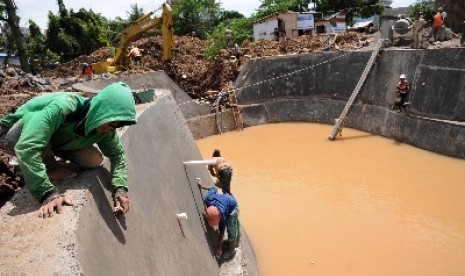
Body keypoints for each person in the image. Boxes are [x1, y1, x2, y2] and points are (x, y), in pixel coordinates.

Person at [0, 82, 137, 218]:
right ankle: (46, 166)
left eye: (116, 126)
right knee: (33, 139)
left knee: (94, 160)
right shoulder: (64, 107)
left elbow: (118, 155)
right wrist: (47, 194)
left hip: (55, 139)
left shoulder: (106, 131)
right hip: (13, 134)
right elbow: (27, 146)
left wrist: (120, 188)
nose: (109, 129)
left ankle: (45, 157)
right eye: (111, 122)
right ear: (103, 111)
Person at [197, 178, 240, 259]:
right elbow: (213, 188)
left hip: (232, 204)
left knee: (231, 228)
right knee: (235, 225)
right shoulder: (208, 199)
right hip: (225, 199)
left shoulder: (222, 216)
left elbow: (221, 232)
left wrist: (219, 247)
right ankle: (237, 240)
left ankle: (232, 251)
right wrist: (201, 186)